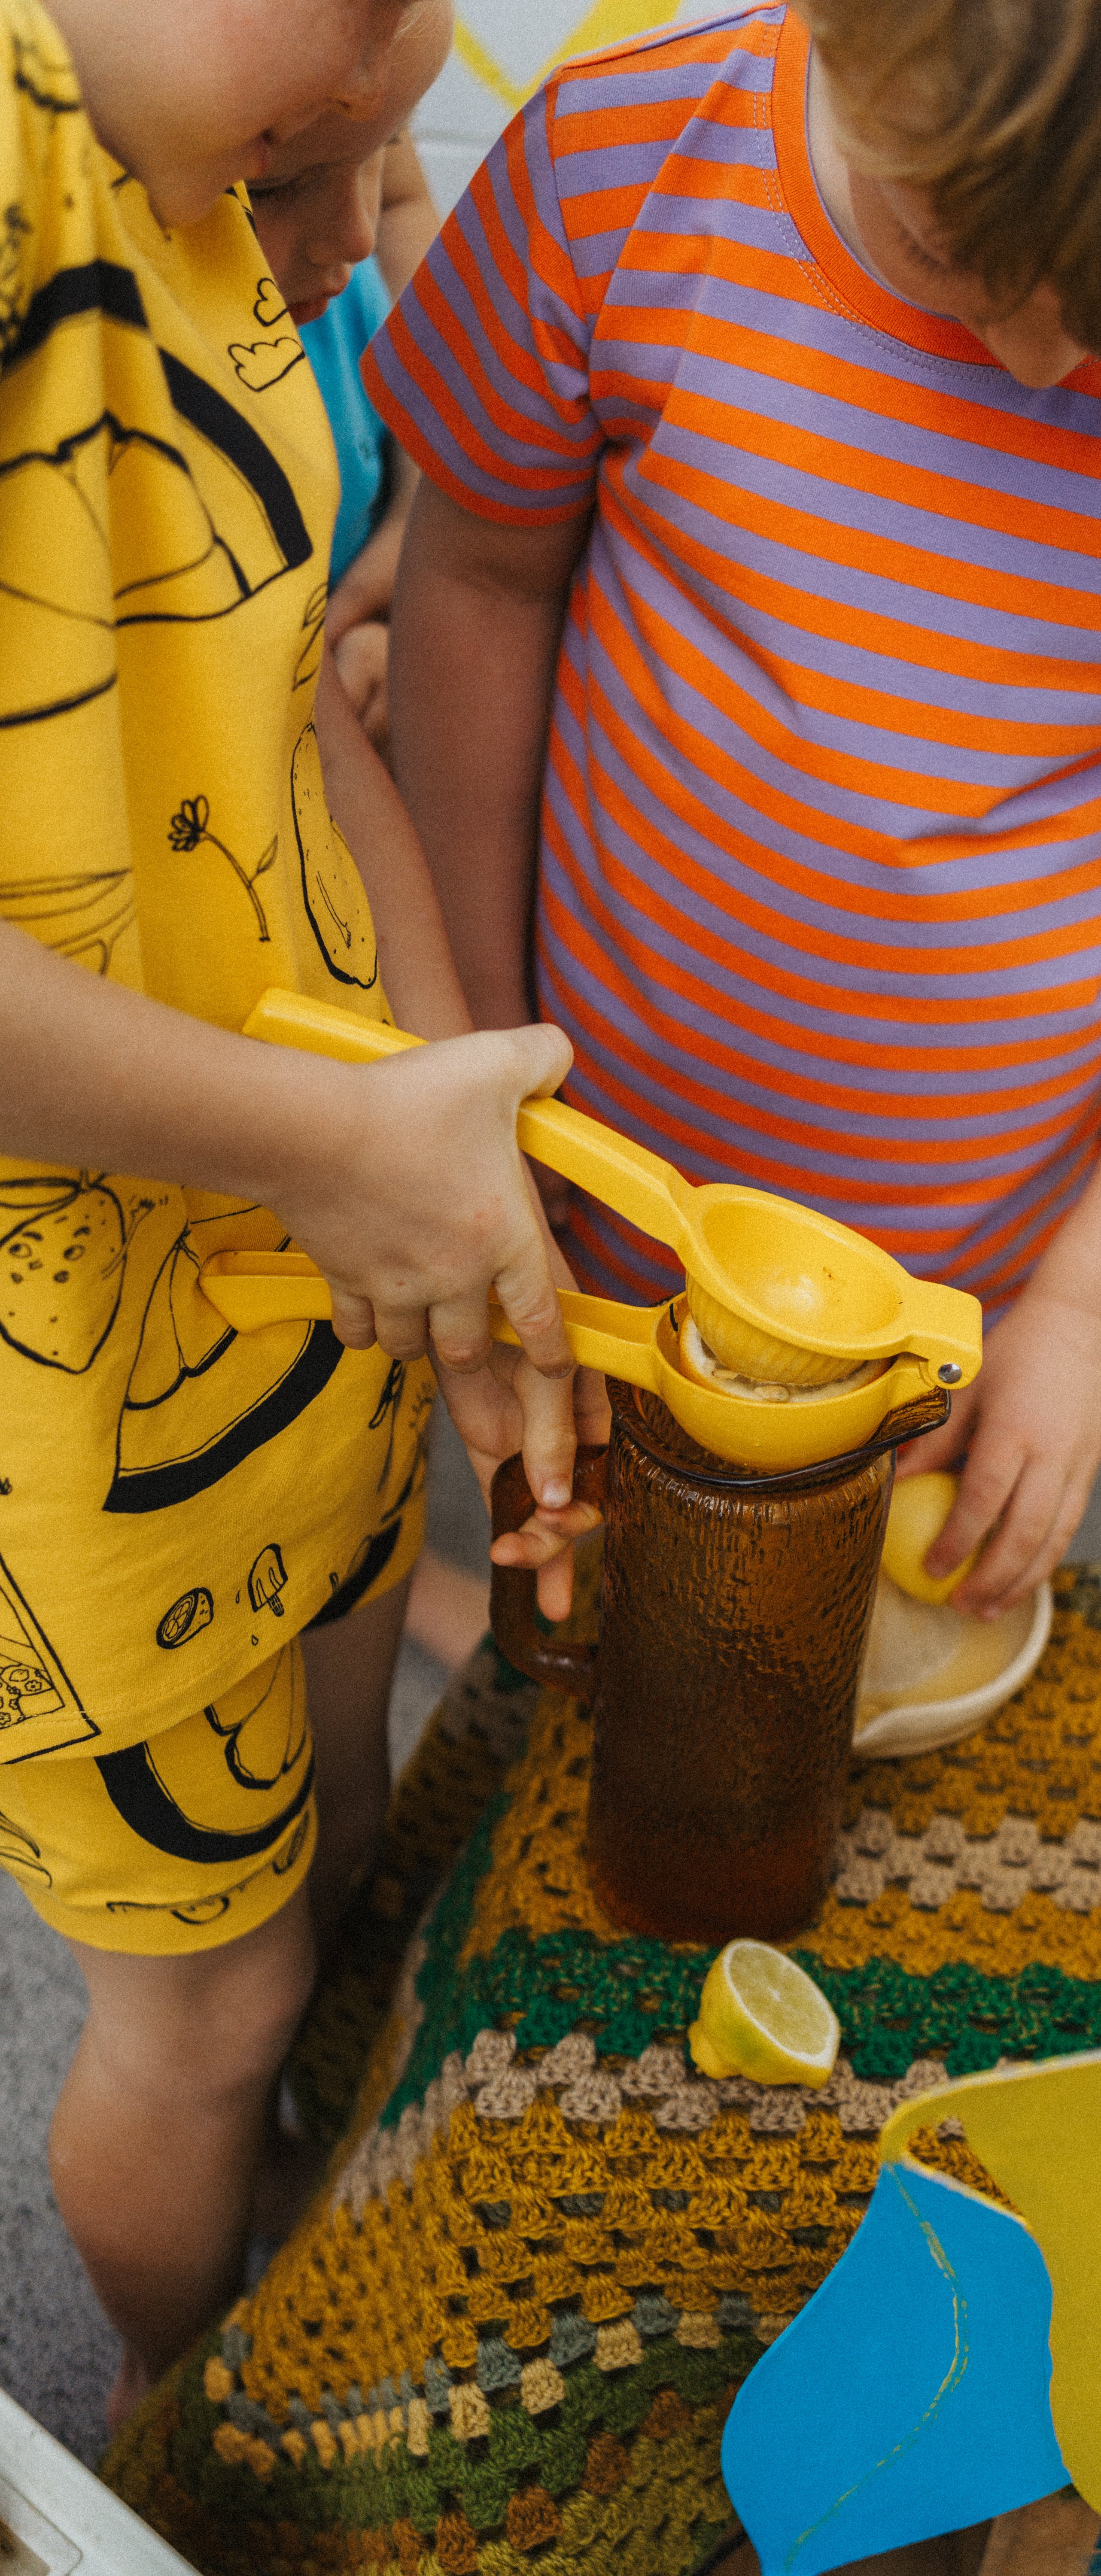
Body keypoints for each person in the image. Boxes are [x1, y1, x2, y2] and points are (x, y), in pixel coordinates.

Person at [367, 0, 1101, 1620]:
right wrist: (474, 1049)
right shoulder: (623, 163)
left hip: (966, 1273)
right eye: (964, 244)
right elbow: (478, 589)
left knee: (819, 1626)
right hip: (582, 1153)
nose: (1043, 354)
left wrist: (1095, 1318)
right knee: (583, 1532)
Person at [0, 0, 592, 2431]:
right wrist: (344, 1149)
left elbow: (287, 709)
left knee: (346, 1815)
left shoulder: (207, 184)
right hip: (73, 1414)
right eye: (354, 49)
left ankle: (314, 2303)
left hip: (289, 1298)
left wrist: (445, 1128)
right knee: (209, 2003)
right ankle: (184, 2421)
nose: (363, 170)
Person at [251, 130, 441, 754]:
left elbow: (400, 203)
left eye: (377, 152)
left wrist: (387, 612)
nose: (355, 237)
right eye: (274, 187)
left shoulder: (349, 261)